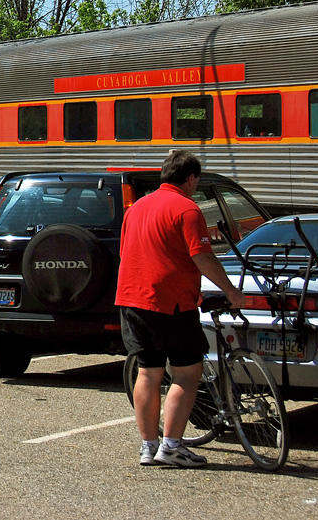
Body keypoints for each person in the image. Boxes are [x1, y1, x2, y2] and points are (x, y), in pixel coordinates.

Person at [116, 150, 244, 468]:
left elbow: (125, 252)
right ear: (189, 179)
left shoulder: (137, 208)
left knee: (147, 371)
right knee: (187, 373)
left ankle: (148, 446)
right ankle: (172, 446)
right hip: (170, 303)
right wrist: (231, 291)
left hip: (132, 299)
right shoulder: (187, 209)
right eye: (196, 180)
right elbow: (201, 255)